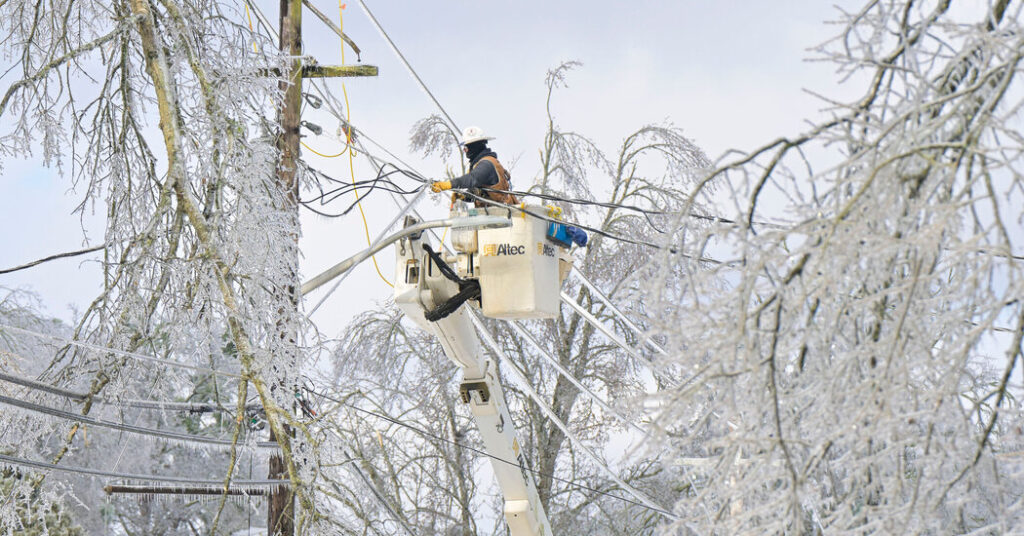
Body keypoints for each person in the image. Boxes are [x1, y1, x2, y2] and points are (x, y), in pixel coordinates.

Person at [431, 126, 518, 206]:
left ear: (473, 147)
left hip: (503, 216)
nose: (465, 152)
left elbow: (472, 178)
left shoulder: (486, 164)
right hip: (493, 215)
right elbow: (478, 194)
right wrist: (463, 196)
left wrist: (449, 184)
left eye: (466, 149)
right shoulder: (481, 164)